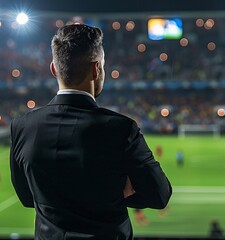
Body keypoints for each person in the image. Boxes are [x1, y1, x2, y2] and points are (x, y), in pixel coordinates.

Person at [10, 24, 172, 240]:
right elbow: (160, 195)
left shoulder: (22, 126)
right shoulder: (121, 128)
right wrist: (114, 192)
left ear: (53, 68)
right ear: (96, 69)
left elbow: (27, 198)